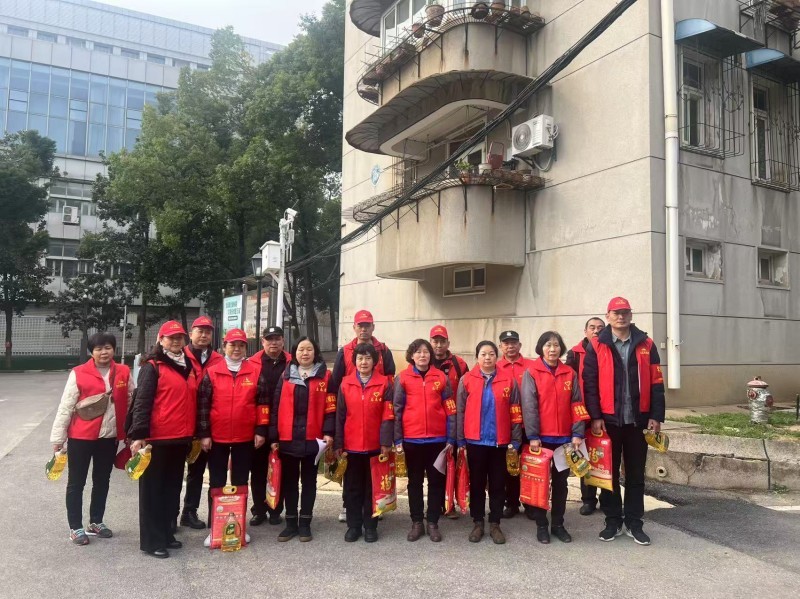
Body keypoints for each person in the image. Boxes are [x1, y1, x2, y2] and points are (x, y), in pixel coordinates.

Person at [583, 297, 665, 546]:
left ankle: (634, 522)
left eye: (625, 312)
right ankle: (612, 521)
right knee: (607, 475)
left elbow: (657, 382)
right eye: (616, 313)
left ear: (631, 315)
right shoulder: (596, 345)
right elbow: (590, 384)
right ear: (608, 316)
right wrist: (595, 416)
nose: (621, 317)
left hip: (638, 422)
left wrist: (656, 416)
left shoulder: (646, 344)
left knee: (635, 475)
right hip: (608, 422)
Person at [50, 332, 134, 545]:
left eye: (108, 347)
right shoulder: (79, 373)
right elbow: (66, 406)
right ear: (91, 352)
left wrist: (131, 433)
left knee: (102, 480)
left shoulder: (123, 372)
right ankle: (75, 527)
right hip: (81, 437)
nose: (104, 352)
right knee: (76, 482)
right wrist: (58, 438)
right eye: (98, 349)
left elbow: (132, 402)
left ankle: (96, 521)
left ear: (114, 349)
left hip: (109, 437)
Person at [128, 321, 198, 559]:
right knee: (152, 492)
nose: (176, 341)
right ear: (161, 340)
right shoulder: (152, 366)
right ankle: (152, 541)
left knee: (171, 490)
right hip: (156, 440)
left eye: (179, 337)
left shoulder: (187, 365)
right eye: (171, 337)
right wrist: (139, 435)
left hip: (180, 438)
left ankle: (167, 534)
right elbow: (142, 402)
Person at [196, 328, 268, 547]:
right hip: (217, 438)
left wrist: (261, 430)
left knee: (240, 483)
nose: (236, 349)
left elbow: (263, 403)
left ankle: (239, 526)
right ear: (224, 346)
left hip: (245, 438)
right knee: (216, 483)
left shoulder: (256, 371)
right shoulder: (212, 372)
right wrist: (204, 434)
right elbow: (203, 405)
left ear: (246, 348)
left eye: (241, 345)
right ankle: (215, 528)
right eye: (232, 344)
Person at [521, 331, 589, 544]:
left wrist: (577, 432)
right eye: (548, 345)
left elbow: (577, 403)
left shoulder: (569, 373)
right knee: (540, 484)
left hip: (565, 440)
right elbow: (529, 406)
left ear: (561, 348)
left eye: (556, 345)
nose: (552, 349)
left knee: (561, 484)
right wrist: (533, 436)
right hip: (541, 440)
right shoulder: (532, 372)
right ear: (541, 348)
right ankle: (541, 525)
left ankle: (558, 524)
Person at [330, 309, 396, 522]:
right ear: (354, 327)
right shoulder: (344, 352)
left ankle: (373, 512)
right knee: (352, 478)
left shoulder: (383, 350)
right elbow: (336, 383)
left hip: (375, 414)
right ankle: (349, 510)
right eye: (360, 325)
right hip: (351, 420)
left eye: (367, 325)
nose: (364, 329)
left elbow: (390, 377)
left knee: (372, 478)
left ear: (373, 327)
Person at [270, 337, 336, 543]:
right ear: (294, 353)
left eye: (309, 349)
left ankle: (305, 523)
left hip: (312, 439)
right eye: (301, 350)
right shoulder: (286, 375)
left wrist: (328, 432)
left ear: (315, 352)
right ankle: (290, 523)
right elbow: (275, 407)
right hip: (288, 438)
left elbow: (331, 408)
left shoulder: (326, 376)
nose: (305, 353)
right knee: (289, 482)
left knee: (309, 482)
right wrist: (274, 436)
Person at [456, 340, 522, 545]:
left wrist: (515, 440)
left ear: (497, 356)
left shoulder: (508, 380)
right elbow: (460, 411)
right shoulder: (467, 380)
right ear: (477, 357)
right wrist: (460, 440)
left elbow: (516, 412)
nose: (487, 358)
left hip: (499, 443)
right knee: (476, 484)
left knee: (497, 485)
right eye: (483, 354)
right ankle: (478, 522)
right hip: (475, 442)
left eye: (491, 354)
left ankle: (495, 523)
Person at [393, 339, 455, 542]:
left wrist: (451, 437)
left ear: (430, 355)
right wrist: (398, 439)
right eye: (418, 352)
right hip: (412, 440)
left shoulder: (441, 378)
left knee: (436, 482)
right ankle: (417, 522)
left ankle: (433, 522)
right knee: (415, 482)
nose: (422, 355)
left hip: (438, 441)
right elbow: (397, 410)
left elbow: (450, 408)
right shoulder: (402, 378)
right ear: (412, 356)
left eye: (426, 352)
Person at [179, 315, 223, 530]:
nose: (204, 335)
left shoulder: (218, 359)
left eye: (208, 332)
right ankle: (184, 512)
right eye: (200, 331)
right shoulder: (181, 356)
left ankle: (216, 515)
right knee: (190, 472)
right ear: (191, 333)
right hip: (185, 423)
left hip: (212, 423)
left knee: (213, 472)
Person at [249, 325, 291, 527]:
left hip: (283, 424)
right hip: (258, 425)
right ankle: (259, 510)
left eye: (277, 339)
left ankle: (276, 509)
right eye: (269, 339)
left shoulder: (291, 362)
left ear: (283, 341)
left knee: (279, 469)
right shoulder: (252, 363)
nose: (273, 343)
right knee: (258, 470)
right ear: (262, 342)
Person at [565, 316, 605, 516]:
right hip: (583, 413)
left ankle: (607, 498)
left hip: (606, 412)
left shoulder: (608, 349)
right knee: (585, 456)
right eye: (592, 327)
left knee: (605, 456)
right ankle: (588, 499)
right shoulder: (574, 354)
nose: (596, 331)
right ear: (585, 331)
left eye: (600, 328)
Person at [496, 330, 532, 519]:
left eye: (513, 343)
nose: (510, 346)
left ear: (520, 345)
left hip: (528, 426)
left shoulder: (531, 366)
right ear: (500, 346)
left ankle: (531, 503)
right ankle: (511, 503)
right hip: (505, 427)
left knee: (530, 466)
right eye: (506, 343)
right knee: (509, 467)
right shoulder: (494, 367)